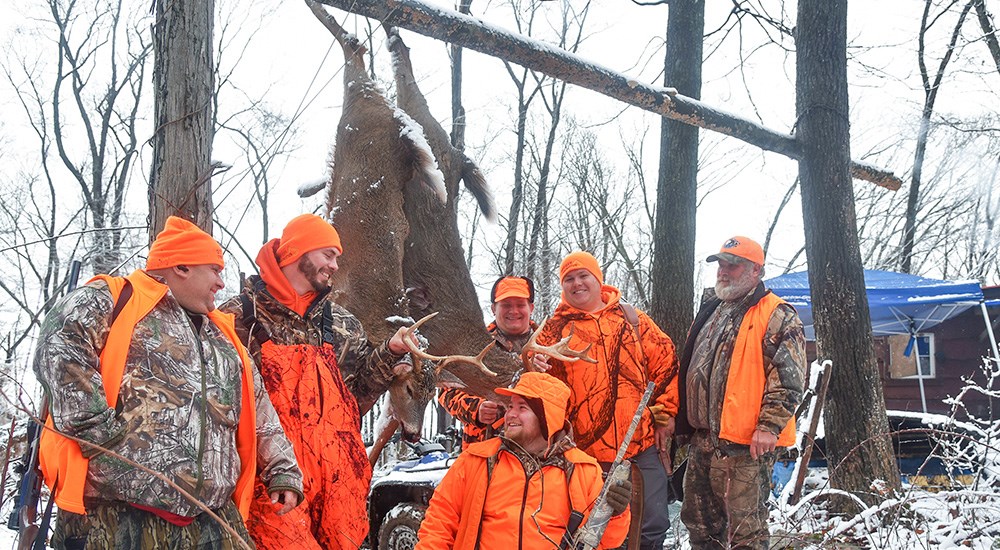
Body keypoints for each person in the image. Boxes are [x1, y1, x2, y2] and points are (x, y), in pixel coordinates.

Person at [35, 216, 303, 550]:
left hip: (212, 520)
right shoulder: (114, 299)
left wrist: (282, 470)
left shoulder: (224, 337)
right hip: (117, 517)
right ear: (181, 267)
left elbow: (258, 406)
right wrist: (99, 435)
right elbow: (60, 346)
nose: (222, 283)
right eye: (215, 269)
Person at [220, 213, 417, 550]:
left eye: (337, 257)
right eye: (328, 254)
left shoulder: (343, 324)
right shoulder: (237, 318)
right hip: (273, 483)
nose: (335, 265)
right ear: (299, 253)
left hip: (337, 488)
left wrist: (390, 352)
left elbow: (355, 399)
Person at [530, 250, 679, 550]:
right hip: (587, 456)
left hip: (641, 447)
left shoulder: (632, 319)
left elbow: (666, 363)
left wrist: (666, 415)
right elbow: (540, 393)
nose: (577, 284)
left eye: (583, 276)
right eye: (569, 279)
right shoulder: (552, 331)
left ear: (598, 280)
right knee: (599, 534)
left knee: (652, 527)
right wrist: (534, 368)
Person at [676, 236, 807, 549]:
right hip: (703, 440)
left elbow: (789, 376)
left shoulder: (776, 313)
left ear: (756, 271)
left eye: (732, 265)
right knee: (699, 527)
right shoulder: (712, 310)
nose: (724, 270)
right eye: (721, 264)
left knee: (745, 533)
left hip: (744, 445)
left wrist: (768, 425)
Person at [416, 372, 631, 549]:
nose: (510, 414)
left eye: (522, 408)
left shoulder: (583, 469)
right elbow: (439, 523)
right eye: (510, 406)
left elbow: (606, 541)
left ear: (548, 418)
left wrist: (616, 514)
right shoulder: (476, 459)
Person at [437, 275, 538, 449]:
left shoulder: (550, 343)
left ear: (531, 307)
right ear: (493, 308)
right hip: (483, 449)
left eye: (520, 305)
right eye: (506, 305)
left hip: (537, 450)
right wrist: (476, 409)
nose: (513, 311)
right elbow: (447, 393)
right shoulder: (472, 345)